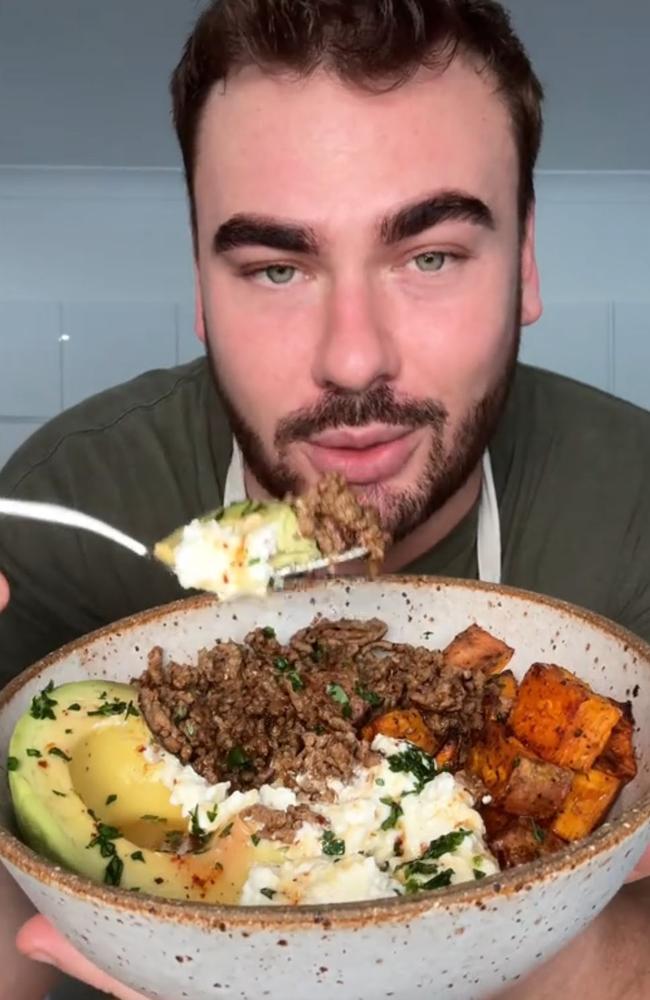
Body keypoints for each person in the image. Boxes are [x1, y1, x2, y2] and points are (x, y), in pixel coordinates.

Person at [0, 1, 648, 998]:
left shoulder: (632, 502)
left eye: (428, 255)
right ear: (200, 290)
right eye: (274, 267)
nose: (352, 356)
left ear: (522, 263)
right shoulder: (56, 508)